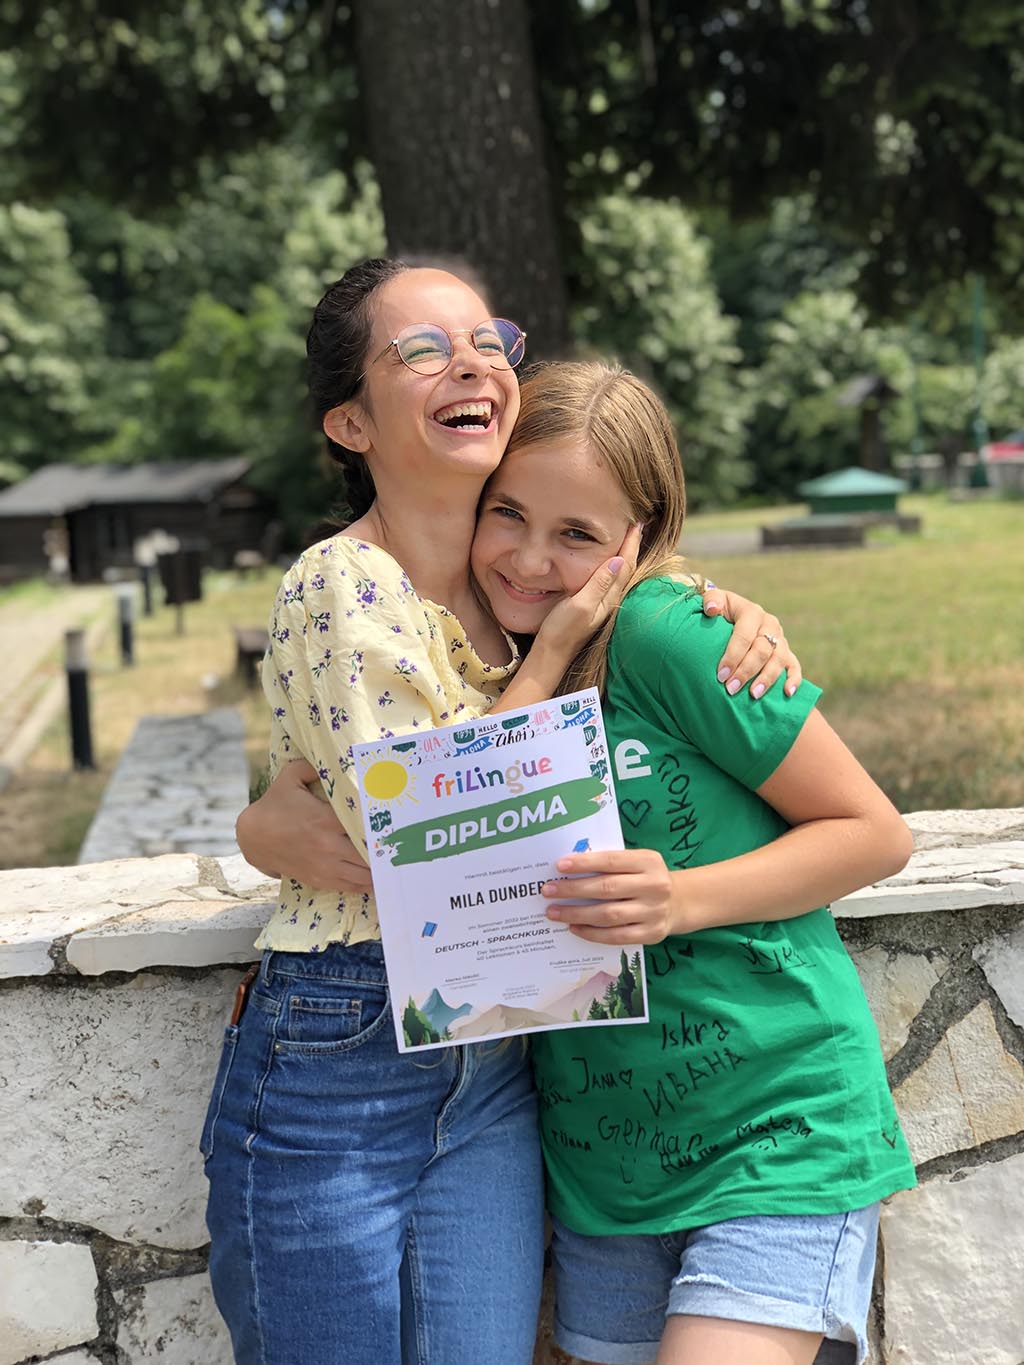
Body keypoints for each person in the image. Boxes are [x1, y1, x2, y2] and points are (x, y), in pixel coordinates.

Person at [205, 257, 804, 1365]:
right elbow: (434, 832)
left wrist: (708, 599)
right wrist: (560, 646)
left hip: (498, 1056)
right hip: (342, 1049)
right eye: (422, 350)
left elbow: (614, 558)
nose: (471, 363)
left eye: (489, 340)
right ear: (350, 423)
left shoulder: (512, 591)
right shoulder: (341, 584)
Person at [466, 360, 916, 1365]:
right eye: (508, 512)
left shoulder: (668, 634)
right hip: (604, 1174)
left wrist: (678, 898)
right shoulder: (471, 652)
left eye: (577, 533)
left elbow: (873, 830)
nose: (531, 558)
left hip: (775, 1132)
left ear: (641, 533)